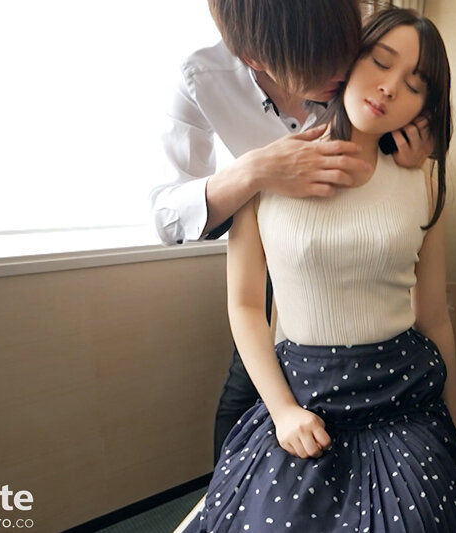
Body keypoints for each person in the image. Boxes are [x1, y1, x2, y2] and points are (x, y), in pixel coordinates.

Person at [186, 7, 456, 532]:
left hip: (403, 395)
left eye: (415, 85)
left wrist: (452, 427)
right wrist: (282, 411)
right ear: (348, 59)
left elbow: (434, 317)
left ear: (425, 106)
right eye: (381, 62)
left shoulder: (423, 181)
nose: (390, 88)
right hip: (304, 394)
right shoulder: (267, 170)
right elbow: (245, 306)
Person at [150, 0, 435, 465]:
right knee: (246, 391)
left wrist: (412, 142)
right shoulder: (202, 77)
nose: (342, 72)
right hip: (271, 241)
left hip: (355, 240)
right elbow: (166, 215)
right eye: (321, 68)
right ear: (254, 60)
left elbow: (403, 91)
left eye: (347, 55)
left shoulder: (353, 35)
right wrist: (254, 171)